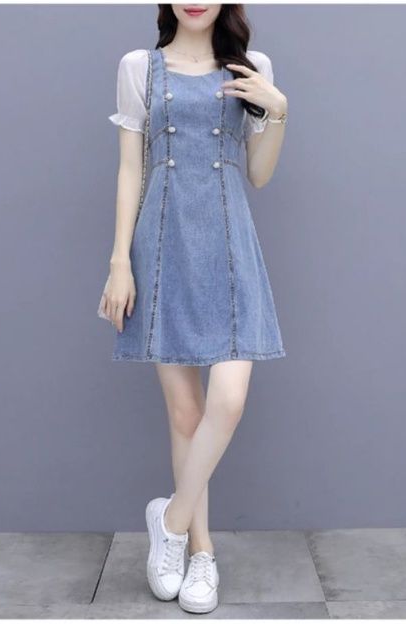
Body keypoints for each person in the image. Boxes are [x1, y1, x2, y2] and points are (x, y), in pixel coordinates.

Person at [99, 4, 289, 614]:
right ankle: (201, 553)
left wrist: (278, 111)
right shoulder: (139, 68)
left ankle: (171, 523)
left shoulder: (252, 68)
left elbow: (259, 175)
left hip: (230, 245)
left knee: (226, 401)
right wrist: (120, 262)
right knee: (186, 414)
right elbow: (130, 168)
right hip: (162, 243)